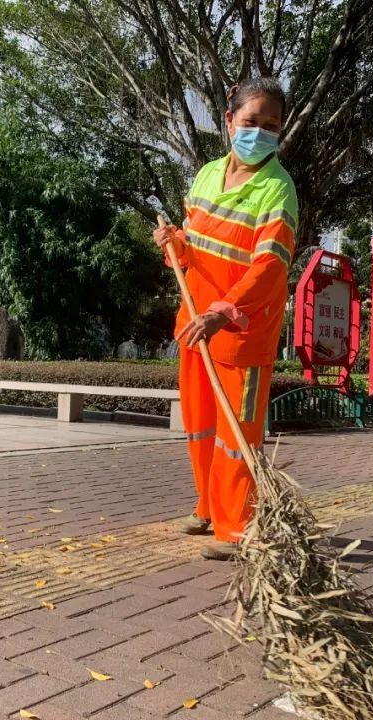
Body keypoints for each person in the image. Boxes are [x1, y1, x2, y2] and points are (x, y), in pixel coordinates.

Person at [153, 76, 298, 561]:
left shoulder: (278, 191)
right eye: (251, 121)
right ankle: (209, 508)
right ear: (229, 120)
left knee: (237, 435)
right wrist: (175, 244)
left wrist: (224, 311)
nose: (260, 132)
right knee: (199, 426)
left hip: (241, 332)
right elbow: (194, 248)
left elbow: (269, 268)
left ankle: (238, 529)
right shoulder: (207, 174)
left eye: (271, 125)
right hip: (196, 324)